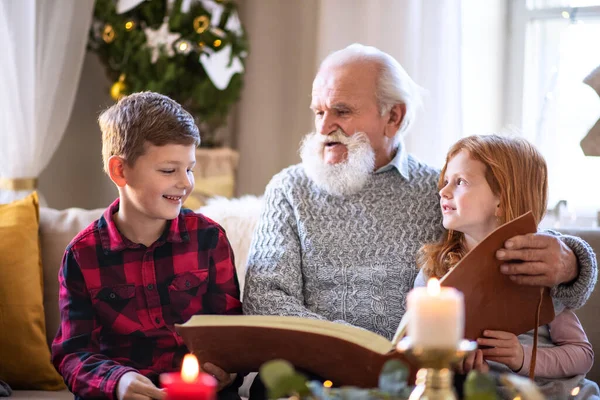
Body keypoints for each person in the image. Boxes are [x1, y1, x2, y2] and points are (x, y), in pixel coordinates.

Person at [242, 43, 597, 391]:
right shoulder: (290, 188)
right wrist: (348, 349)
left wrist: (573, 262)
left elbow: (514, 233)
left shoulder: (441, 189)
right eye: (319, 112)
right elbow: (264, 297)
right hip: (312, 368)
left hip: (419, 374)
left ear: (393, 116)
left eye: (341, 111)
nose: (324, 127)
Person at [51, 92, 243, 400]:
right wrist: (118, 382)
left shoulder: (209, 239)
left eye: (189, 168)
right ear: (120, 171)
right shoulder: (82, 255)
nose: (185, 183)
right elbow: (73, 353)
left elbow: (232, 331)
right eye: (169, 170)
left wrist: (227, 369)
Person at [415, 134, 598, 398]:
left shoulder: (538, 265)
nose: (443, 192)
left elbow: (582, 355)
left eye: (460, 182)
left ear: (501, 199)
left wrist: (523, 356)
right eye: (445, 182)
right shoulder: (435, 274)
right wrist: (457, 368)